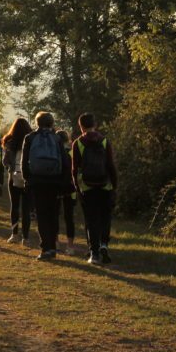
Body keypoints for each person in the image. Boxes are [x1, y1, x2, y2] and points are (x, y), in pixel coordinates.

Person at [21, 111, 71, 260]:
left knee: (41, 214)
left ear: (37, 123)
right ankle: (53, 247)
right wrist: (63, 182)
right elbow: (64, 161)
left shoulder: (30, 138)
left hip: (37, 181)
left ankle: (45, 249)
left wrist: (27, 179)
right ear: (52, 123)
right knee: (53, 214)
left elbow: (24, 161)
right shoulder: (57, 138)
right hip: (54, 180)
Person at [72, 112, 118, 265]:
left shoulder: (78, 143)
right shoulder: (104, 141)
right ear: (95, 124)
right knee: (105, 217)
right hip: (105, 185)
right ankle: (104, 245)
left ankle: (94, 253)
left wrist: (77, 187)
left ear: (81, 126)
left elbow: (74, 169)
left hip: (87, 186)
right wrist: (114, 185)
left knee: (91, 219)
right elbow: (111, 165)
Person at [2, 117, 33, 246]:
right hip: (28, 178)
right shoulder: (31, 140)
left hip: (13, 177)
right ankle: (25, 237)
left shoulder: (9, 141)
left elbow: (5, 161)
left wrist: (10, 169)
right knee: (26, 208)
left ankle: (14, 234)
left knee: (14, 206)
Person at [56, 130, 78, 255]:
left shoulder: (55, 152)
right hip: (70, 189)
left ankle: (56, 243)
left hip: (56, 188)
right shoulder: (72, 153)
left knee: (55, 215)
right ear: (67, 140)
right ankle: (70, 246)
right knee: (69, 218)